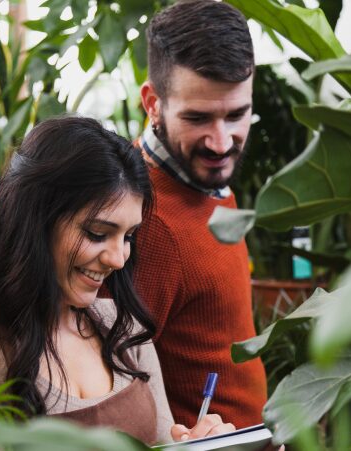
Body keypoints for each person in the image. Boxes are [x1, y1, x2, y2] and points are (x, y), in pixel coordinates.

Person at [0, 116, 234, 445]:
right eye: (97, 233)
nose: (118, 258)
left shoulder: (124, 330)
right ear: (34, 221)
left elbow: (162, 443)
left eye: (128, 236)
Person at [135, 0, 267, 428]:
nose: (221, 142)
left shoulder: (205, 179)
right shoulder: (143, 220)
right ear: (153, 103)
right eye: (198, 118)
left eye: (237, 114)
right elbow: (113, 380)